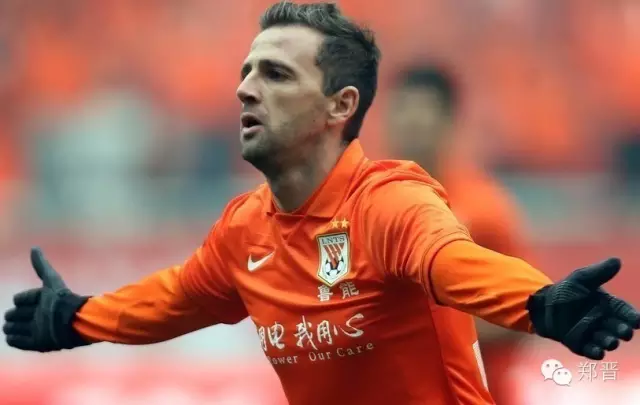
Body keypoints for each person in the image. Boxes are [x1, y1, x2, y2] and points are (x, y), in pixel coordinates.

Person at [3, 3, 639, 405]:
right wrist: (79, 318)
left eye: (276, 75)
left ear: (341, 106)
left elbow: (452, 262)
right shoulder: (244, 229)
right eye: (248, 71)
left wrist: (539, 302)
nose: (246, 89)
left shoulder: (391, 202)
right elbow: (173, 298)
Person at [386, 65, 532, 404]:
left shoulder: (485, 209)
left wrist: (435, 324)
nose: (410, 125)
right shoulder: (367, 204)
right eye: (402, 111)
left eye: (422, 114)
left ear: (448, 121)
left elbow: (528, 311)